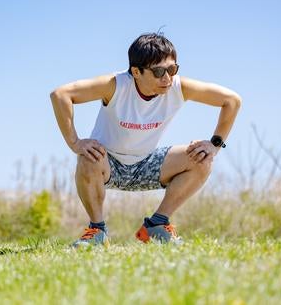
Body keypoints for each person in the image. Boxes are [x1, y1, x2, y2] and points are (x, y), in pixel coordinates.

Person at [50, 32, 241, 246]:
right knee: (88, 157)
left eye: (172, 69)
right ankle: (97, 232)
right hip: (107, 162)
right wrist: (75, 143)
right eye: (159, 71)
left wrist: (214, 145)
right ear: (136, 72)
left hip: (147, 162)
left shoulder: (179, 87)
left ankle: (156, 226)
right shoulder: (115, 85)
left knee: (202, 158)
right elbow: (60, 95)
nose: (167, 78)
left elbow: (231, 100)